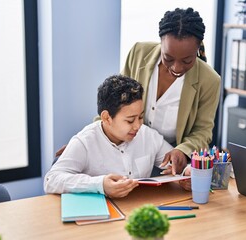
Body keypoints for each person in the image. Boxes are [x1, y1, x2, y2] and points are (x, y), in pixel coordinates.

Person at [44, 75, 190, 198]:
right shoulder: (84, 142)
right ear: (107, 118)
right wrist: (100, 185)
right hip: (100, 218)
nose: (138, 125)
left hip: (138, 211)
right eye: (130, 120)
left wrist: (186, 172)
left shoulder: (148, 135)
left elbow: (177, 166)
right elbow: (51, 180)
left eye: (140, 117)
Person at [121, 7, 221, 175]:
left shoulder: (209, 80)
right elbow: (116, 103)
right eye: (168, 58)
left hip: (168, 166)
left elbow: (202, 131)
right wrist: (88, 141)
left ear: (197, 50)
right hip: (125, 154)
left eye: (187, 60)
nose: (176, 67)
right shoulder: (138, 53)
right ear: (161, 42)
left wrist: (183, 150)